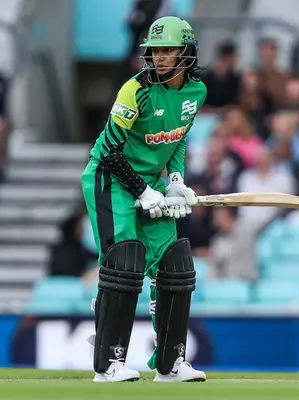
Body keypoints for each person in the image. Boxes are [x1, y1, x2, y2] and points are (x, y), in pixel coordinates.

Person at [81, 16, 207, 383]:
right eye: (155, 51)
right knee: (125, 260)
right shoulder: (134, 90)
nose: (160, 58)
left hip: (151, 180)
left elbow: (177, 138)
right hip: (109, 178)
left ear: (186, 52)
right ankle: (108, 364)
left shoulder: (196, 92)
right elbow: (109, 152)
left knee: (174, 265)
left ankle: (169, 364)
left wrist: (176, 180)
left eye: (168, 50)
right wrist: (143, 191)